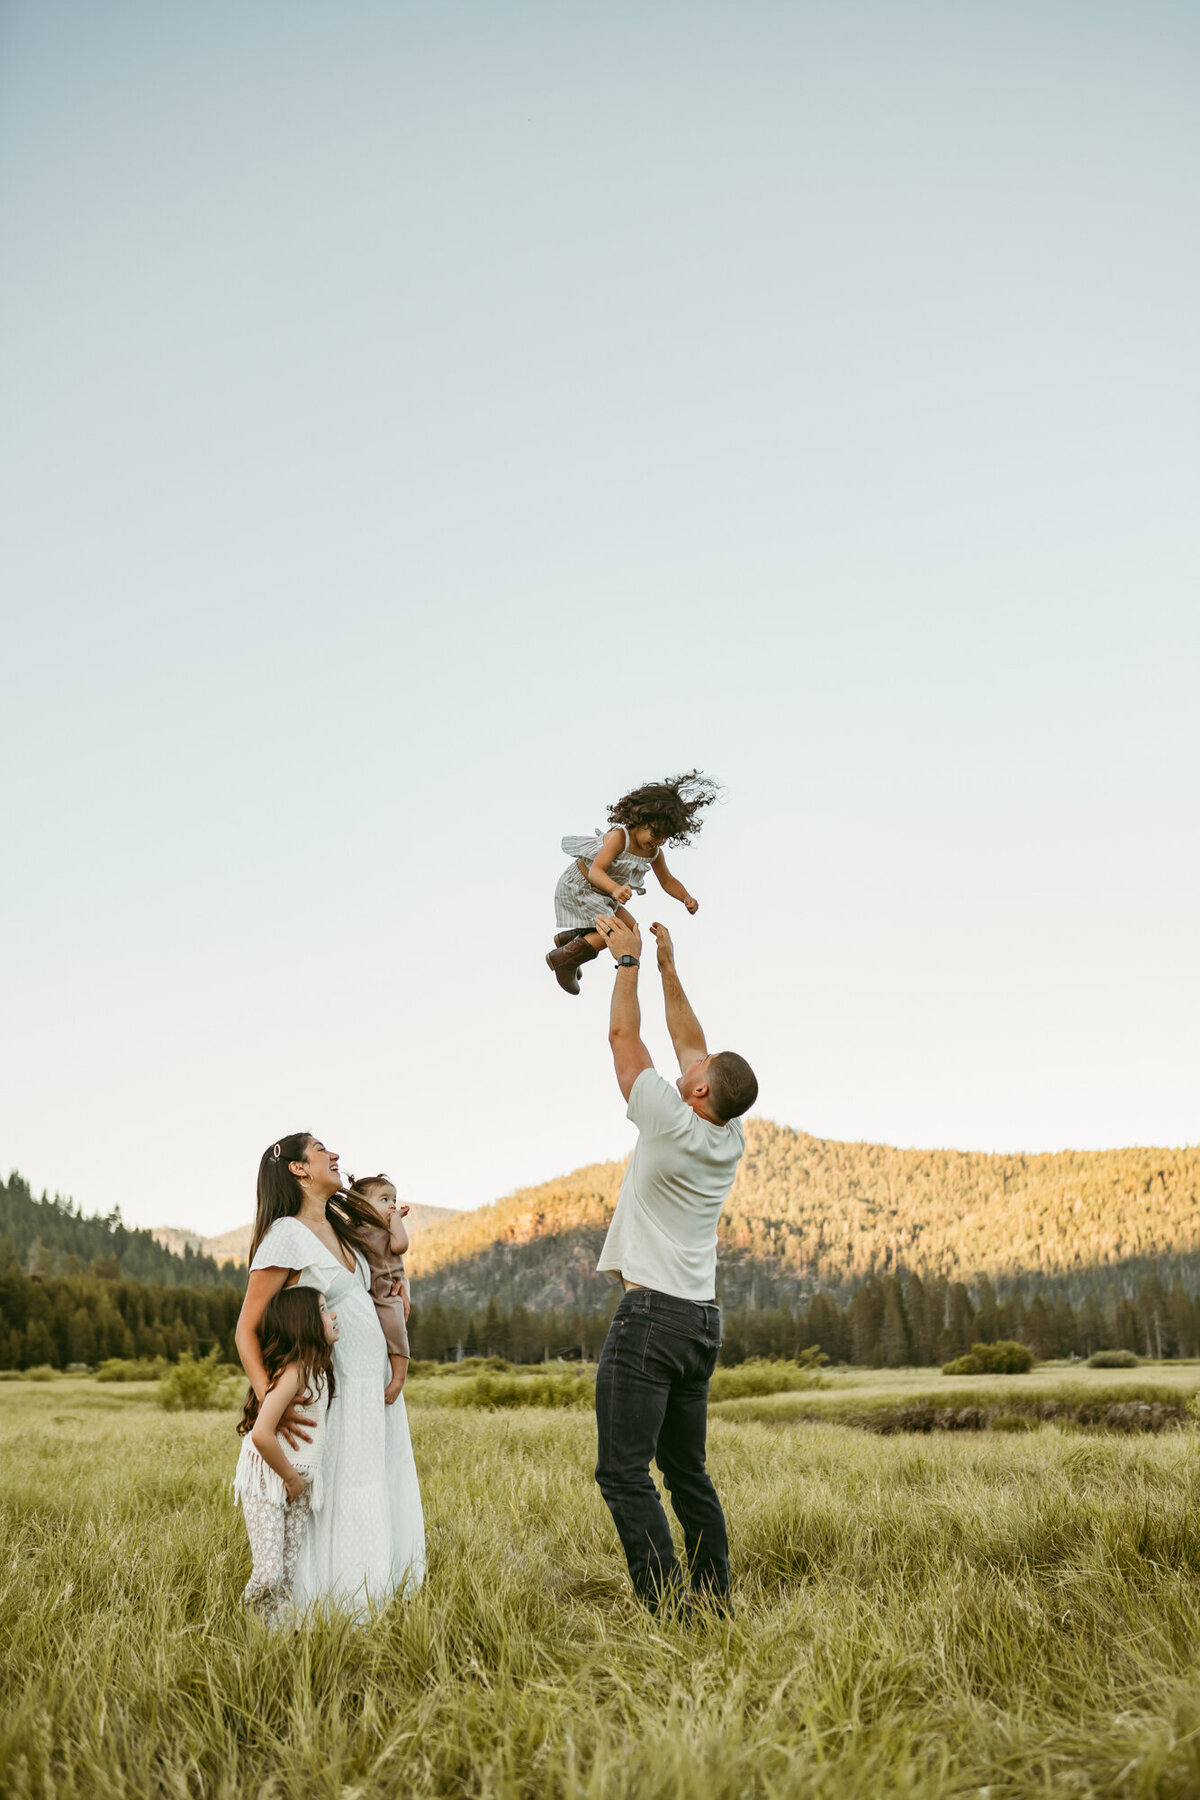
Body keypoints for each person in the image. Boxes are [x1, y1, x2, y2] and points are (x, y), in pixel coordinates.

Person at [591, 914, 757, 1613]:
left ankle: (666, 1608)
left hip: (653, 1318)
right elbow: (694, 1041)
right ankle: (714, 1597)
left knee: (624, 1472)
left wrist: (624, 963)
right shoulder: (728, 1134)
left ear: (695, 1092)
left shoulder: (665, 1114)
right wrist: (667, 966)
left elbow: (623, 1039)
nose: (689, 1059)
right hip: (701, 1324)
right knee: (687, 1470)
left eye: (694, 1070)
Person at [234, 1133, 425, 1618]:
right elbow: (246, 1330)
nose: (334, 1154)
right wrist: (271, 1401)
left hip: (370, 1385)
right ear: (298, 1169)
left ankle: (374, 1590)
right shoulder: (285, 1234)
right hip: (334, 1391)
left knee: (373, 1483)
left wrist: (397, 1289)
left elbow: (378, 1278)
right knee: (341, 1492)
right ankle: (330, 1604)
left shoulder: (343, 1231)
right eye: (320, 1149)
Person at [546, 770, 718, 995]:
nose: (657, 841)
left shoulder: (654, 852)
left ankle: (573, 941)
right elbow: (596, 872)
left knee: (630, 930)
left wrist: (685, 897)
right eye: (655, 832)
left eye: (664, 837)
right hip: (581, 887)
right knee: (619, 934)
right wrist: (615, 888)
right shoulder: (620, 838)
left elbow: (667, 880)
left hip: (602, 894)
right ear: (641, 819)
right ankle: (566, 959)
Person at [233, 1286, 338, 1627]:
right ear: (304, 1323)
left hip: (296, 1482)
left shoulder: (320, 1370)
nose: (333, 1315)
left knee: (287, 1572)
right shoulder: (294, 1372)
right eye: (323, 1310)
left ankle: (277, 1636)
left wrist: (298, 1480)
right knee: (268, 1573)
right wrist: (290, 1477)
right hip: (269, 1477)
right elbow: (262, 1434)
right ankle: (243, 1625)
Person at [345, 1172, 411, 1404]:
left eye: (394, 1200)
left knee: (395, 1327)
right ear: (361, 1207)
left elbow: (401, 1245)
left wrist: (396, 1220)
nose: (392, 1206)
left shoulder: (389, 1229)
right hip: (363, 1295)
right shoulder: (351, 1231)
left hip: (386, 1292)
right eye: (384, 1200)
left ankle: (399, 1378)